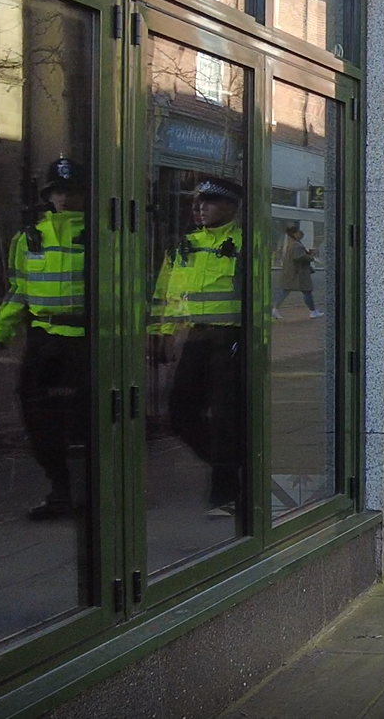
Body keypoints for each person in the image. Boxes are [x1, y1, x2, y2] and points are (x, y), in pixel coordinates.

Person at [0, 157, 89, 519]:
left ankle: (89, 492)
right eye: (59, 191)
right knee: (37, 415)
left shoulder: (100, 235)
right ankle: (60, 490)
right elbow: (18, 293)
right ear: (49, 195)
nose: (65, 198)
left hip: (85, 340)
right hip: (44, 339)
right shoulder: (29, 237)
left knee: (84, 419)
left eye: (72, 190)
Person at [150, 177, 245, 517]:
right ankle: (233, 468)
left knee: (224, 418)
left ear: (231, 207)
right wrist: (161, 332)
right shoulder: (183, 247)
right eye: (197, 203)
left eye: (209, 202)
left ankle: (225, 490)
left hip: (229, 341)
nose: (200, 208)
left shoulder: (245, 244)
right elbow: (167, 295)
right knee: (179, 415)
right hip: (195, 340)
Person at [272, 226, 321, 320]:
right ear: (294, 234)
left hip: (292, 272)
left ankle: (275, 309)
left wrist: (308, 252)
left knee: (285, 290)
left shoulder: (292, 244)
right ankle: (313, 311)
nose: (301, 234)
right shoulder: (297, 245)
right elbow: (299, 257)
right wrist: (311, 256)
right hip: (299, 273)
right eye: (299, 232)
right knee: (307, 292)